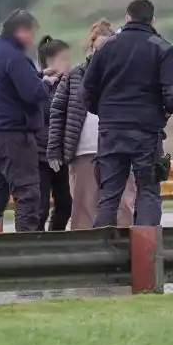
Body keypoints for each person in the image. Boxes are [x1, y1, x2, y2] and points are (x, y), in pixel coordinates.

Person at [83, 0, 173, 227]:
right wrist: (165, 113)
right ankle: (146, 247)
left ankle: (103, 246)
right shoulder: (163, 49)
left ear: (127, 17)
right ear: (152, 20)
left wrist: (104, 113)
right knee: (147, 191)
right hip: (146, 132)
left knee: (109, 195)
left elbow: (86, 91)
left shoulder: (106, 48)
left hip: (111, 131)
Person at [0, 9, 58, 234]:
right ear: (21, 31)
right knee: (27, 195)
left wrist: (38, 76)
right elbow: (33, 94)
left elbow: (6, 86)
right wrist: (47, 83)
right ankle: (24, 249)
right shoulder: (15, 57)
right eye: (31, 33)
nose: (32, 39)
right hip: (13, 137)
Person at [47, 19, 138, 229]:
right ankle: (86, 248)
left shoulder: (125, 74)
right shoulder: (74, 75)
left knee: (123, 206)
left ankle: (123, 245)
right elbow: (58, 111)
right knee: (84, 209)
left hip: (119, 148)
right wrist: (54, 150)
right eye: (97, 47)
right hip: (84, 150)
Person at [36, 36, 74, 231]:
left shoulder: (71, 85)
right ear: (49, 62)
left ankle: (55, 238)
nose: (69, 63)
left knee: (66, 204)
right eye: (64, 59)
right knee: (39, 208)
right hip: (38, 155)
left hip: (62, 155)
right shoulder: (35, 86)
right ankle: (36, 242)